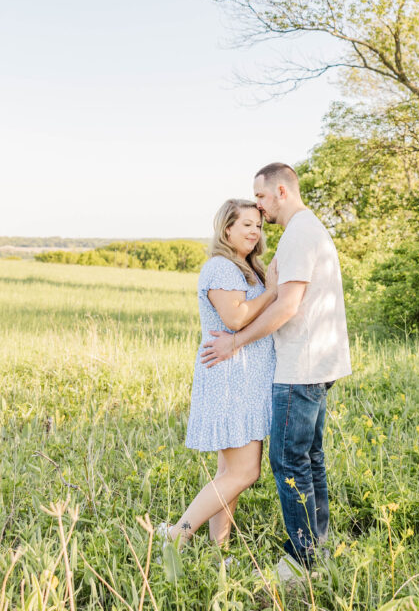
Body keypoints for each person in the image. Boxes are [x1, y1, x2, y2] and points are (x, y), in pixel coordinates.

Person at [201, 163, 352, 577]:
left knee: (290, 462)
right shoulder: (305, 231)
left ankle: (301, 561)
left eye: (262, 198)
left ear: (282, 192)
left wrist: (234, 342)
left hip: (300, 367)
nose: (261, 209)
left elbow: (287, 306)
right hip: (313, 362)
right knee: (310, 458)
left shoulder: (300, 233)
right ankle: (317, 549)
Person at [156, 199, 277, 549]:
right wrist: (271, 292)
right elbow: (236, 318)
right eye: (247, 225)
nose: (255, 232)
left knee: (230, 475)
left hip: (244, 381)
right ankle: (178, 533)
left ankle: (218, 550)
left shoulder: (245, 267)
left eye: (258, 226)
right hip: (230, 381)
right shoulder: (222, 268)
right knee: (244, 473)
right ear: (227, 229)